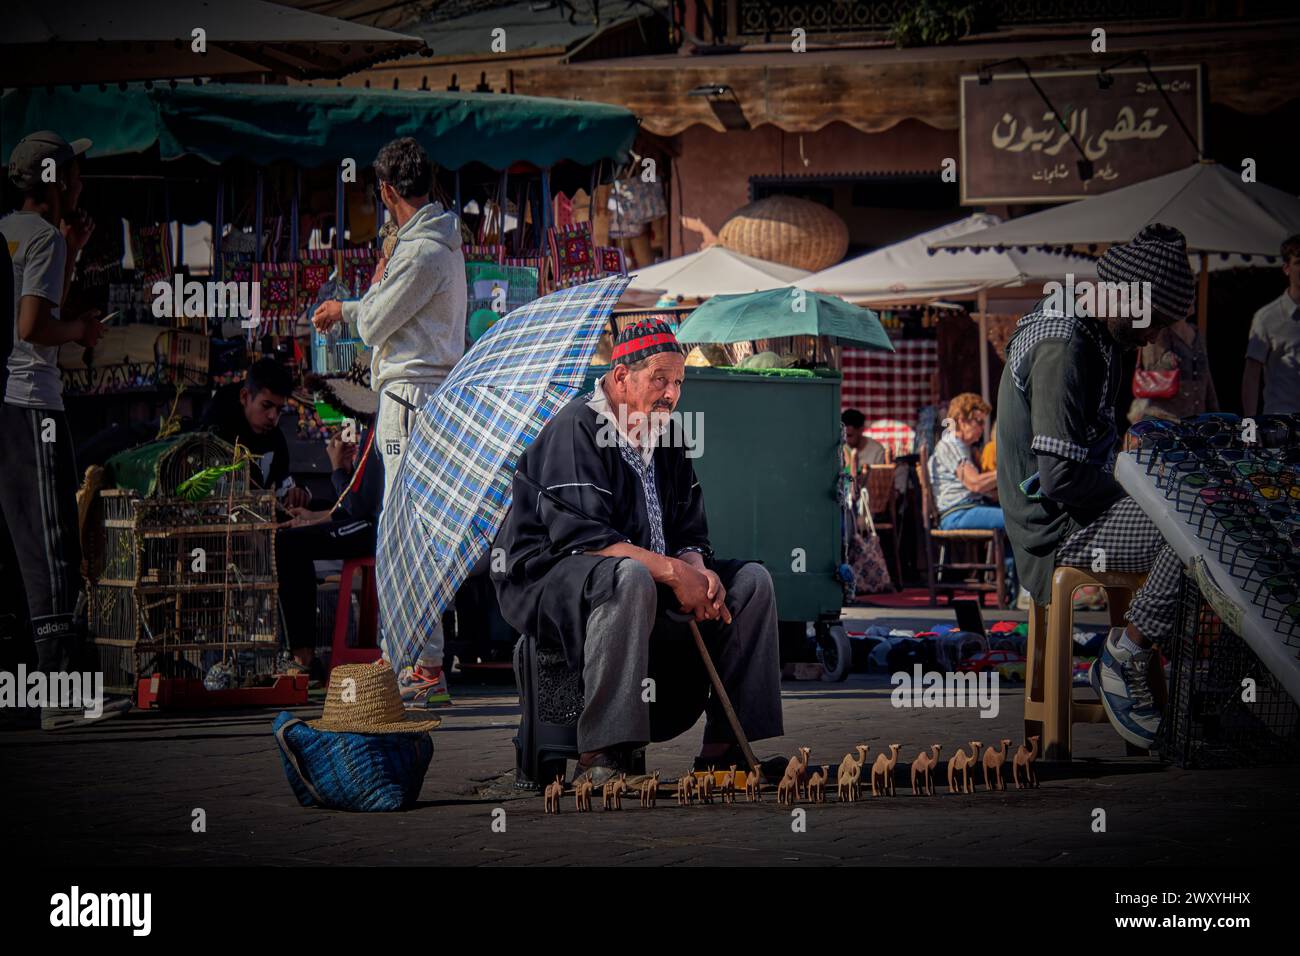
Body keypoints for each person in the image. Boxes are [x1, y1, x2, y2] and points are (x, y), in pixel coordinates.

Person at [491, 320, 783, 786]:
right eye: (660, 380)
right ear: (623, 376)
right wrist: (670, 572)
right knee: (626, 576)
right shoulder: (576, 427)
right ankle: (604, 750)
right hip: (554, 578)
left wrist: (696, 570)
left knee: (751, 585)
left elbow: (689, 527)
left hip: (649, 573)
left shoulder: (666, 432)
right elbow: (586, 540)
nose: (671, 394)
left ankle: (726, 748)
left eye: (679, 383)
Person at [997, 223, 1197, 749]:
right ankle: (1125, 653)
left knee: (1199, 516)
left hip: (1086, 509)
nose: (1155, 338)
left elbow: (1103, 443)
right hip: (1056, 527)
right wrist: (1143, 495)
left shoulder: (1102, 328)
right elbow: (1060, 479)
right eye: (1153, 322)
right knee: (1194, 535)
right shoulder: (1064, 345)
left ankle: (1142, 654)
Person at [312, 137, 466, 699]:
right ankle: (419, 659)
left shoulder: (423, 251)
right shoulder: (436, 243)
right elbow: (381, 312)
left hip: (412, 399)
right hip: (419, 396)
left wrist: (354, 305)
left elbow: (376, 324)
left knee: (404, 532)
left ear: (386, 191)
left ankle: (418, 661)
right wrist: (356, 304)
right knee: (412, 530)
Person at [0, 130, 128, 729]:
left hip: (12, 407)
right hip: (32, 406)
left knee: (29, 542)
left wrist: (71, 253)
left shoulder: (14, 231)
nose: (81, 182)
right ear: (54, 184)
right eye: (74, 175)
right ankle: (59, 697)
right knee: (54, 547)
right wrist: (78, 331)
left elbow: (36, 303)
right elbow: (32, 325)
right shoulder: (44, 236)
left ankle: (35, 691)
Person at [199, 357, 309, 509]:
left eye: (279, 409)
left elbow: (283, 482)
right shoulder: (214, 434)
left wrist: (297, 492)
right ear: (244, 397)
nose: (272, 417)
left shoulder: (276, 440)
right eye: (266, 405)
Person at [1242, 233, 1300, 416]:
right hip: (1283, 424)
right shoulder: (1267, 317)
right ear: (1287, 268)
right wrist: (1249, 425)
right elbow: (1252, 374)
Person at [929, 393, 1001, 531]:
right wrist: (1008, 473)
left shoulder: (963, 447)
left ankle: (1010, 553)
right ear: (961, 420)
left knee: (1017, 517)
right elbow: (975, 484)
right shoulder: (950, 445)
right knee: (1017, 521)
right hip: (957, 513)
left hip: (967, 509)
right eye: (979, 422)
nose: (982, 428)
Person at [1127, 317, 1219, 424]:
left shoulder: (1196, 333)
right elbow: (1153, 369)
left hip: (1194, 423)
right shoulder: (1158, 333)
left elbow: (1207, 380)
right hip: (1161, 420)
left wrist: (1215, 416)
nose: (1191, 301)